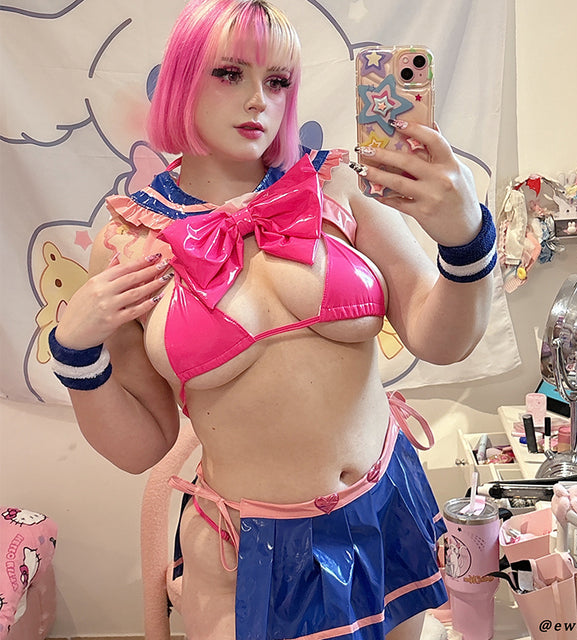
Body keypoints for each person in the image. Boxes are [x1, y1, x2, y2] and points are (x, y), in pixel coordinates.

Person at [47, 1, 496, 638]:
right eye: (230, 73)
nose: (259, 99)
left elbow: (439, 337)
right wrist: (76, 355)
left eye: (278, 80)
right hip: (248, 547)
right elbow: (143, 444)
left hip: (384, 507)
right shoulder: (129, 241)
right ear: (182, 80)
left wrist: (465, 241)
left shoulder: (337, 184)